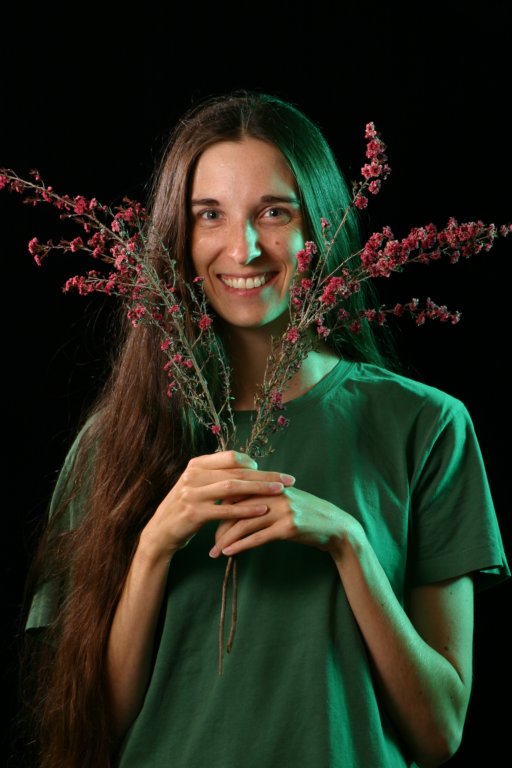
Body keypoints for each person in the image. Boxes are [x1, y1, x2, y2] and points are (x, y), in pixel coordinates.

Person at [20, 89, 509, 768]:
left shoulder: (425, 427)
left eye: (274, 212)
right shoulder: (112, 443)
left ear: (320, 226)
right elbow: (92, 730)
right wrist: (156, 544)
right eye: (209, 215)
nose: (244, 248)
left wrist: (350, 546)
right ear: (178, 237)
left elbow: (439, 733)